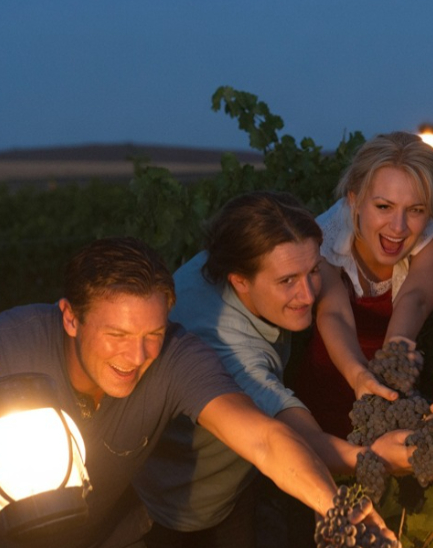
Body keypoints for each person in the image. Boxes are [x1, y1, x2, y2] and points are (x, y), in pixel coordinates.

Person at [0, 237, 388, 548]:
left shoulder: (176, 357)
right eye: (117, 336)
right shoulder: (7, 347)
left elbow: (263, 439)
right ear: (70, 318)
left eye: (151, 334)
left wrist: (341, 511)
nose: (136, 356)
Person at [135, 193, 413, 548]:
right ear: (240, 282)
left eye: (313, 271)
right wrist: (376, 458)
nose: (309, 294)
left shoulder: (239, 253)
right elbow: (294, 437)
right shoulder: (222, 344)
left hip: (233, 481)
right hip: (184, 501)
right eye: (287, 281)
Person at [290, 132, 433, 438]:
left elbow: (414, 300)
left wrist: (394, 360)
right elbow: (332, 312)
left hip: (391, 396)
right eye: (383, 207)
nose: (399, 227)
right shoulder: (324, 235)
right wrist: (360, 376)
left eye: (415, 210)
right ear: (355, 199)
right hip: (322, 387)